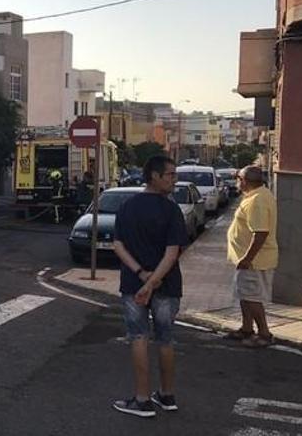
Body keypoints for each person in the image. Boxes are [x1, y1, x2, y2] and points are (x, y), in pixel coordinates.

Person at [112, 155, 188, 418]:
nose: (174, 180)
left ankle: (142, 400)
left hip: (135, 284)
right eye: (170, 175)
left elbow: (118, 245)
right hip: (166, 286)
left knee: (139, 338)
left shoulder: (126, 207)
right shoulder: (171, 210)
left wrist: (142, 276)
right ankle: (166, 396)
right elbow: (172, 252)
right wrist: (154, 281)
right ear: (154, 176)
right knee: (165, 339)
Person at [224, 165, 278, 348]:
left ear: (244, 181)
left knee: (253, 298)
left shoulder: (257, 201)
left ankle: (264, 333)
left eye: (238, 178)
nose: (237, 181)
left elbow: (260, 233)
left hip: (254, 262)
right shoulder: (257, 195)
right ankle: (247, 328)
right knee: (245, 295)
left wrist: (247, 258)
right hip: (247, 261)